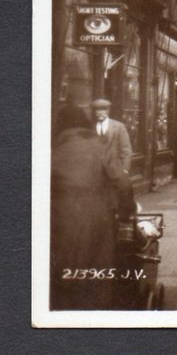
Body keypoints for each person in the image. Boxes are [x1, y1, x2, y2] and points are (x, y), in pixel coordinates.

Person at [50, 105, 136, 310]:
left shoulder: (51, 151)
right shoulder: (100, 147)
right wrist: (126, 212)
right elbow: (122, 182)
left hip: (58, 221)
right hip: (97, 220)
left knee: (61, 276)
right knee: (96, 274)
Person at [91, 98, 133, 174]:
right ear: (94, 112)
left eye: (103, 110)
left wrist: (125, 169)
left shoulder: (118, 127)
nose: (100, 113)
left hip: (114, 170)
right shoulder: (91, 127)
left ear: (108, 111)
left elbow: (126, 150)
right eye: (97, 110)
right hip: (96, 171)